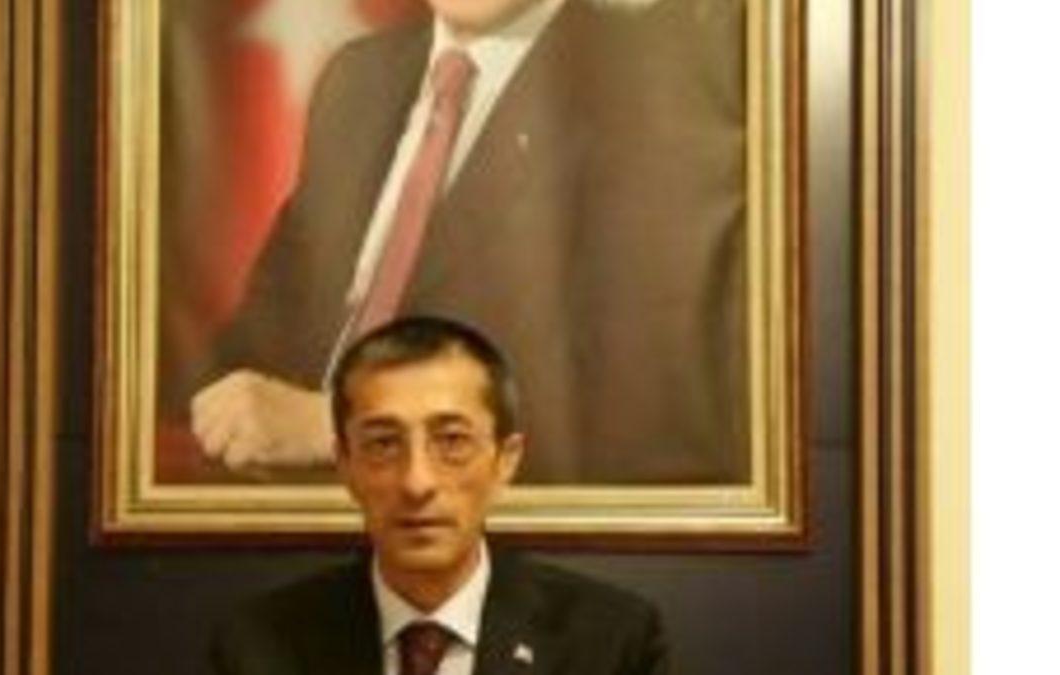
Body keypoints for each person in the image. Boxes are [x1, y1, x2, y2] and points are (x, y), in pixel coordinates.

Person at [190, 0, 747, 484]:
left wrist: (344, 426)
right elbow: (256, 343)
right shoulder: (356, 79)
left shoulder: (657, 92)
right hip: (298, 522)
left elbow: (645, 417)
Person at [210, 316, 669, 674]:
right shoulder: (259, 647)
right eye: (383, 444)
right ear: (345, 463)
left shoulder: (611, 643)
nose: (417, 482)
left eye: (452, 441)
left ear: (505, 461)